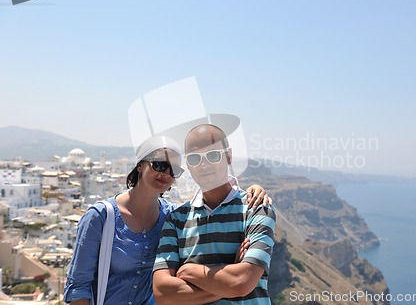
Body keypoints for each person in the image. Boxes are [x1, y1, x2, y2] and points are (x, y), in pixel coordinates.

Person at [63, 135, 270, 305]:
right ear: (140, 165)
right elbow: (78, 288)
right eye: (159, 165)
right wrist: (228, 286)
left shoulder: (172, 217)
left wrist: (254, 190)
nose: (166, 174)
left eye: (174, 170)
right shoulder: (100, 218)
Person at [153, 124, 276, 305]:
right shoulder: (176, 220)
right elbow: (163, 293)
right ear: (188, 164)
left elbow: (242, 282)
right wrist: (228, 279)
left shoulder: (256, 208)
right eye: (195, 159)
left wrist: (189, 271)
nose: (204, 165)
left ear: (228, 156)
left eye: (212, 155)